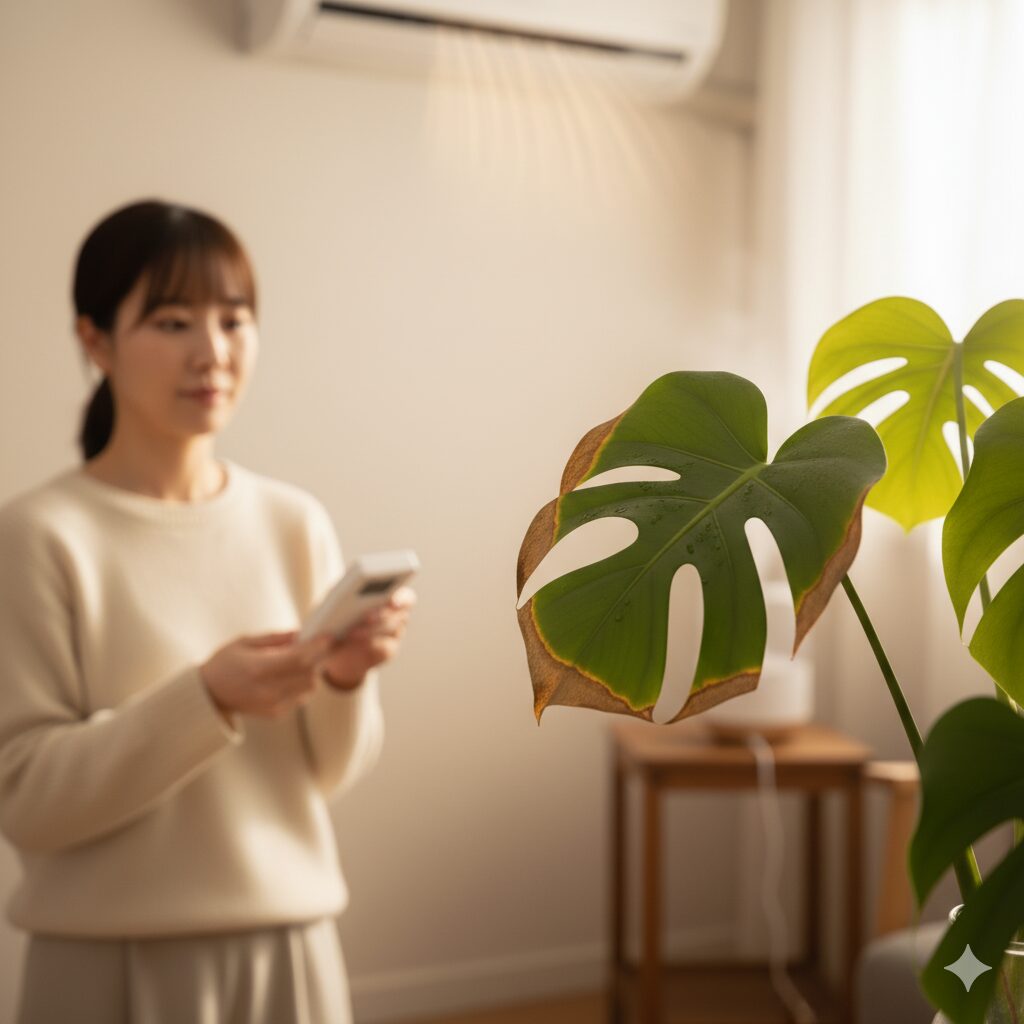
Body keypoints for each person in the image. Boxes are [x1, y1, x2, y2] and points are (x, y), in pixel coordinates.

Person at [0, 198, 415, 1023]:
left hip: (292, 950)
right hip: (106, 968)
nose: (213, 353)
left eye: (234, 320)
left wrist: (342, 681)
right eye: (172, 321)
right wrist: (209, 697)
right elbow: (26, 800)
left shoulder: (293, 521)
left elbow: (324, 776)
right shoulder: (39, 536)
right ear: (95, 341)